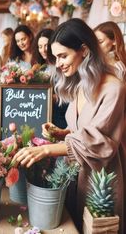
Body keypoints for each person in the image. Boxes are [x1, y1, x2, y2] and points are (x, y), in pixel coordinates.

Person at [13, 18, 126, 234]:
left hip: (101, 181)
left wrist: (46, 149)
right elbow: (84, 130)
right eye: (55, 58)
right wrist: (63, 132)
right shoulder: (81, 82)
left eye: (63, 56)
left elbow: (98, 142)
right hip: (77, 175)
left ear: (84, 50)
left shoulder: (114, 89)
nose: (58, 64)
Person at [31, 28, 68, 129]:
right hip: (44, 114)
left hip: (61, 114)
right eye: (40, 46)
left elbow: (70, 94)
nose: (43, 50)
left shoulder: (62, 65)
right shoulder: (40, 67)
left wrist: (53, 97)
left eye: (46, 45)